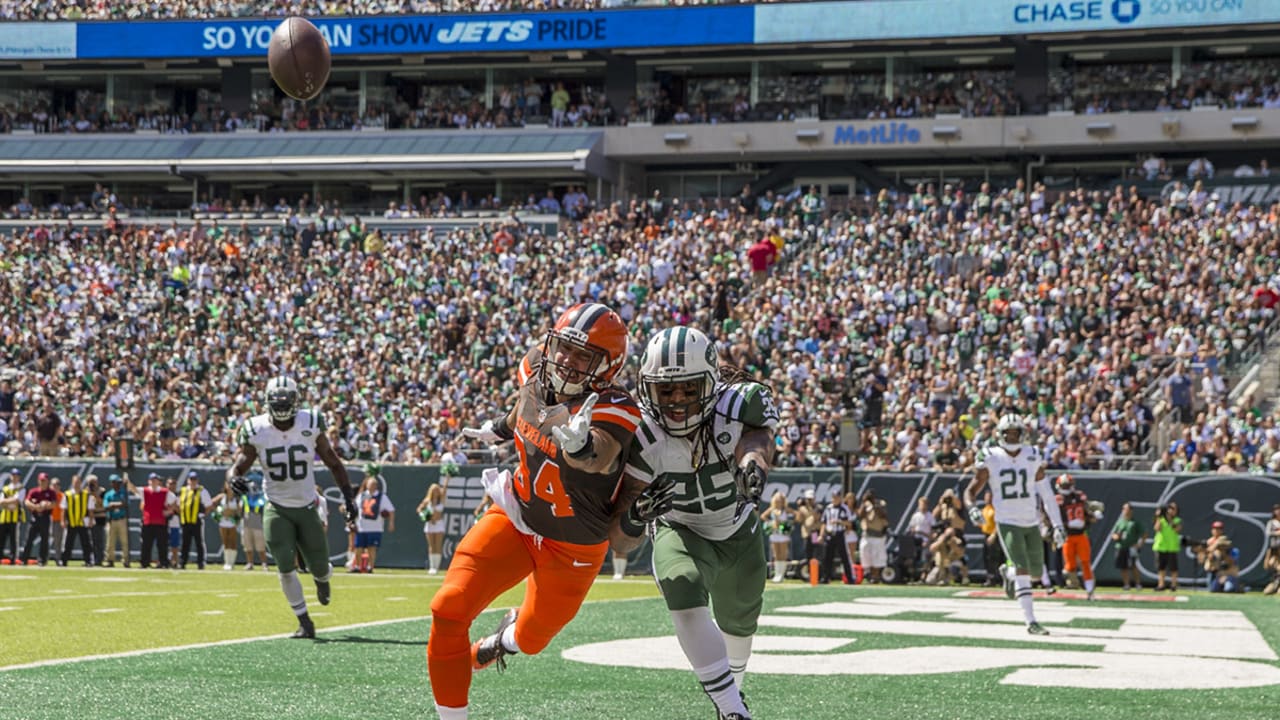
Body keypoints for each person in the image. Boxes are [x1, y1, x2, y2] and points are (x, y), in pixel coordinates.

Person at [433, 302, 638, 720]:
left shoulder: (615, 406)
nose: (567, 360)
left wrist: (579, 447)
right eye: (563, 348)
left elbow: (599, 456)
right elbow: (526, 404)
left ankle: (503, 640)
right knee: (447, 608)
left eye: (583, 356)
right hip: (518, 516)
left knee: (532, 639)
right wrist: (503, 427)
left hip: (574, 546)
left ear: (609, 366)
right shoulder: (533, 367)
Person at [610, 326, 776, 720]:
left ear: (711, 383)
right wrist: (635, 515)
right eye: (667, 391)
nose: (678, 401)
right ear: (649, 389)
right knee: (681, 584)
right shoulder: (642, 435)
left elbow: (757, 439)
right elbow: (619, 541)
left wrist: (753, 464)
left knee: (740, 626)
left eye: (688, 389)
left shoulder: (737, 407)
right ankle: (734, 711)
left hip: (737, 529)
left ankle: (733, 694)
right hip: (679, 527)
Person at [227, 375, 359, 639]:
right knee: (284, 564)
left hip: (307, 504)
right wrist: (233, 477)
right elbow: (239, 464)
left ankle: (322, 580)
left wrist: (348, 496)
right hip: (276, 505)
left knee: (319, 566)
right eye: (278, 401)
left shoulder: (309, 423)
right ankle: (304, 621)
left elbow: (333, 462)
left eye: (286, 401)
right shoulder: (257, 429)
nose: (282, 406)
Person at [964, 414, 1065, 635]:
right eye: (1008, 433)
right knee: (1022, 567)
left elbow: (1047, 495)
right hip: (1007, 520)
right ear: (1000, 434)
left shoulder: (1032, 455)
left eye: (1015, 433)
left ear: (1022, 434)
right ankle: (1031, 621)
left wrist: (1058, 525)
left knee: (1036, 573)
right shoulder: (991, 457)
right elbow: (971, 490)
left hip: (1031, 520)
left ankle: (1008, 574)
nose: (1011, 436)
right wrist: (973, 508)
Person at [1055, 474, 1101, 599]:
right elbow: (1053, 517)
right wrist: (1064, 525)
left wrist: (1092, 516)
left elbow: (1087, 510)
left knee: (1085, 563)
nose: (1066, 487)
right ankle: (1072, 581)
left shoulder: (1079, 496)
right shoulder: (1058, 499)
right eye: (1064, 485)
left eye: (1067, 485)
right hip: (1067, 535)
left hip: (1081, 534)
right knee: (1070, 566)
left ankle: (1090, 590)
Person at [127, 472, 177, 568]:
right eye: (152, 480)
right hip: (148, 522)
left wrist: (169, 511)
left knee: (162, 544)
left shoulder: (165, 492)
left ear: (158, 482)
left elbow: (174, 500)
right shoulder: (144, 491)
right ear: (149, 481)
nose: (154, 482)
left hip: (160, 522)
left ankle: (163, 562)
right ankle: (145, 562)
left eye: (155, 480)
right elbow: (133, 489)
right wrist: (128, 481)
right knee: (146, 544)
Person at [351, 474, 395, 573]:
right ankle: (357, 566)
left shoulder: (381, 496)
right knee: (358, 547)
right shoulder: (362, 495)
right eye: (370, 484)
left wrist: (391, 523)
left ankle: (370, 567)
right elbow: (356, 509)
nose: (372, 486)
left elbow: (391, 510)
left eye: (374, 484)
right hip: (362, 525)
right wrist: (352, 521)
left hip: (375, 526)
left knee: (372, 548)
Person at [59, 474, 96, 567]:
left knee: (86, 542)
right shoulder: (67, 494)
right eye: (75, 482)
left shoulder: (86, 495)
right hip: (71, 522)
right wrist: (63, 521)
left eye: (78, 482)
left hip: (82, 522)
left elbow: (91, 509)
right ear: (72, 483)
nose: (76, 484)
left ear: (81, 483)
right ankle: (64, 560)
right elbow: (64, 509)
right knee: (68, 543)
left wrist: (91, 520)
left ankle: (88, 560)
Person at [820, 489, 855, 584]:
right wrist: (821, 535)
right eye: (833, 497)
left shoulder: (844, 508)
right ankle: (825, 577)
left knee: (844, 557)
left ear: (840, 498)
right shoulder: (828, 508)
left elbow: (849, 523)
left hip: (839, 534)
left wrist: (839, 521)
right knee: (827, 557)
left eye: (837, 497)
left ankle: (850, 578)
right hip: (829, 534)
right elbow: (823, 523)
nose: (835, 499)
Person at [20, 473, 56, 566]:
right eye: (41, 480)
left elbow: (54, 504)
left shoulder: (51, 492)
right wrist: (36, 507)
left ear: (48, 481)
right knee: (29, 539)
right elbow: (27, 502)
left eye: (44, 480)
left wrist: (46, 505)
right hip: (35, 517)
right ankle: (24, 559)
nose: (43, 482)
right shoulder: (34, 491)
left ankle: (42, 560)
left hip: (45, 517)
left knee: (44, 540)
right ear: (38, 481)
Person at [178, 471, 212, 570]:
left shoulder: (202, 491)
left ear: (197, 480)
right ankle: (183, 562)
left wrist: (203, 514)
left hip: (197, 520)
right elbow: (178, 504)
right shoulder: (183, 490)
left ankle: (200, 562)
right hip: (186, 521)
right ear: (188, 480)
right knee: (185, 543)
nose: (192, 482)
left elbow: (208, 505)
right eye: (191, 480)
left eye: (194, 480)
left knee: (199, 542)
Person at [760, 491, 794, 583]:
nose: (778, 501)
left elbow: (796, 515)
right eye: (777, 500)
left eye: (780, 500)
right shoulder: (772, 509)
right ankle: (777, 574)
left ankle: (782, 575)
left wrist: (788, 524)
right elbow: (762, 516)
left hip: (783, 535)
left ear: (783, 501)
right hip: (774, 534)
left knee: (783, 554)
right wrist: (770, 523)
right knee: (776, 554)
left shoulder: (785, 510)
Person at [1110, 502, 1146, 591]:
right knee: (1123, 567)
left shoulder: (1135, 522)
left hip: (1131, 547)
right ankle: (1126, 584)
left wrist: (1139, 544)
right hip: (1120, 547)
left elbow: (1144, 534)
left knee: (1133, 565)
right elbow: (1113, 534)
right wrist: (1116, 537)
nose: (1124, 511)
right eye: (1123, 509)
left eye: (1126, 509)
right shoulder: (1120, 522)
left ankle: (1138, 584)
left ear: (1130, 510)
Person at [858, 489, 889, 584]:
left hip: (878, 535)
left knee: (877, 558)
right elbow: (860, 515)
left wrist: (874, 505)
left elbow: (883, 515)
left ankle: (876, 576)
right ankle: (868, 574)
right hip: (867, 534)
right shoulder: (865, 506)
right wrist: (864, 503)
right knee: (866, 555)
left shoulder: (880, 504)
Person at [210, 480, 243, 571]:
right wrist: (218, 511)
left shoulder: (236, 498)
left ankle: (232, 562)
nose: (229, 488)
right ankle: (227, 562)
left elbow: (240, 510)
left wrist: (232, 512)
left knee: (232, 541)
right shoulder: (222, 496)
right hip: (223, 522)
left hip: (232, 522)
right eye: (228, 485)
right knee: (225, 541)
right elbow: (211, 503)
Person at [417, 481, 448, 574]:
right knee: (431, 546)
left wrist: (447, 478)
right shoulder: (427, 501)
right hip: (429, 525)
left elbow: (445, 489)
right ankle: (432, 567)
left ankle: (436, 567)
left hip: (439, 524)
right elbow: (419, 509)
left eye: (437, 490)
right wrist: (424, 516)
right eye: (433, 490)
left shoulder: (441, 500)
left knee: (438, 545)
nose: (435, 492)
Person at [1201, 521, 1240, 593]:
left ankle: (1237, 587)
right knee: (1212, 589)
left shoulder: (1234, 551)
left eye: (1223, 546)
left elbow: (1231, 564)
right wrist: (1210, 557)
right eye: (1220, 546)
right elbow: (1208, 567)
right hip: (1218, 576)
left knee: (1229, 588)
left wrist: (1224, 554)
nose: (1222, 548)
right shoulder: (1215, 552)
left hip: (1230, 576)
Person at [240, 475, 269, 571]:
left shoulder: (261, 497)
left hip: (258, 524)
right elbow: (241, 509)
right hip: (246, 523)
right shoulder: (245, 497)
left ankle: (264, 564)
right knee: (247, 545)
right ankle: (250, 563)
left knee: (260, 545)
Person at [102, 474, 131, 568]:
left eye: (119, 482)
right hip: (111, 520)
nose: (118, 484)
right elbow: (106, 506)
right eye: (115, 482)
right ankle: (110, 560)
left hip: (122, 519)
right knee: (110, 542)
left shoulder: (123, 492)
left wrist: (113, 505)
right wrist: (118, 504)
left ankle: (126, 560)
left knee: (125, 541)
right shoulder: (108, 494)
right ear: (112, 483)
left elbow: (125, 504)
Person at [1152, 502, 1182, 591]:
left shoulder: (1177, 520)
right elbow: (1157, 529)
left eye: (1173, 509)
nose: (1171, 510)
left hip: (1172, 547)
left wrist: (1169, 519)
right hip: (1161, 546)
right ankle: (1161, 584)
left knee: (1173, 568)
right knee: (1161, 567)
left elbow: (1177, 529)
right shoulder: (1161, 519)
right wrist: (1159, 517)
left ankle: (1173, 585)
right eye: (1170, 508)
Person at [0, 468, 26, 564]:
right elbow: (1, 501)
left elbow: (17, 501)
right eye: (13, 475)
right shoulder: (6, 488)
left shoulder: (21, 488)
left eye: (16, 476)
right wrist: (9, 502)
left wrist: (7, 502)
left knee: (13, 539)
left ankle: (13, 558)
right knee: (2, 537)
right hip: (4, 516)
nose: (15, 478)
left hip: (15, 517)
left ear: (19, 477)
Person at [1263, 504, 1280, 596]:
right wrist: (1277, 533)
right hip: (1274, 548)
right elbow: (1267, 533)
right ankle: (1274, 584)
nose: (1278, 511)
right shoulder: (1272, 522)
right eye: (1276, 510)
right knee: (1271, 565)